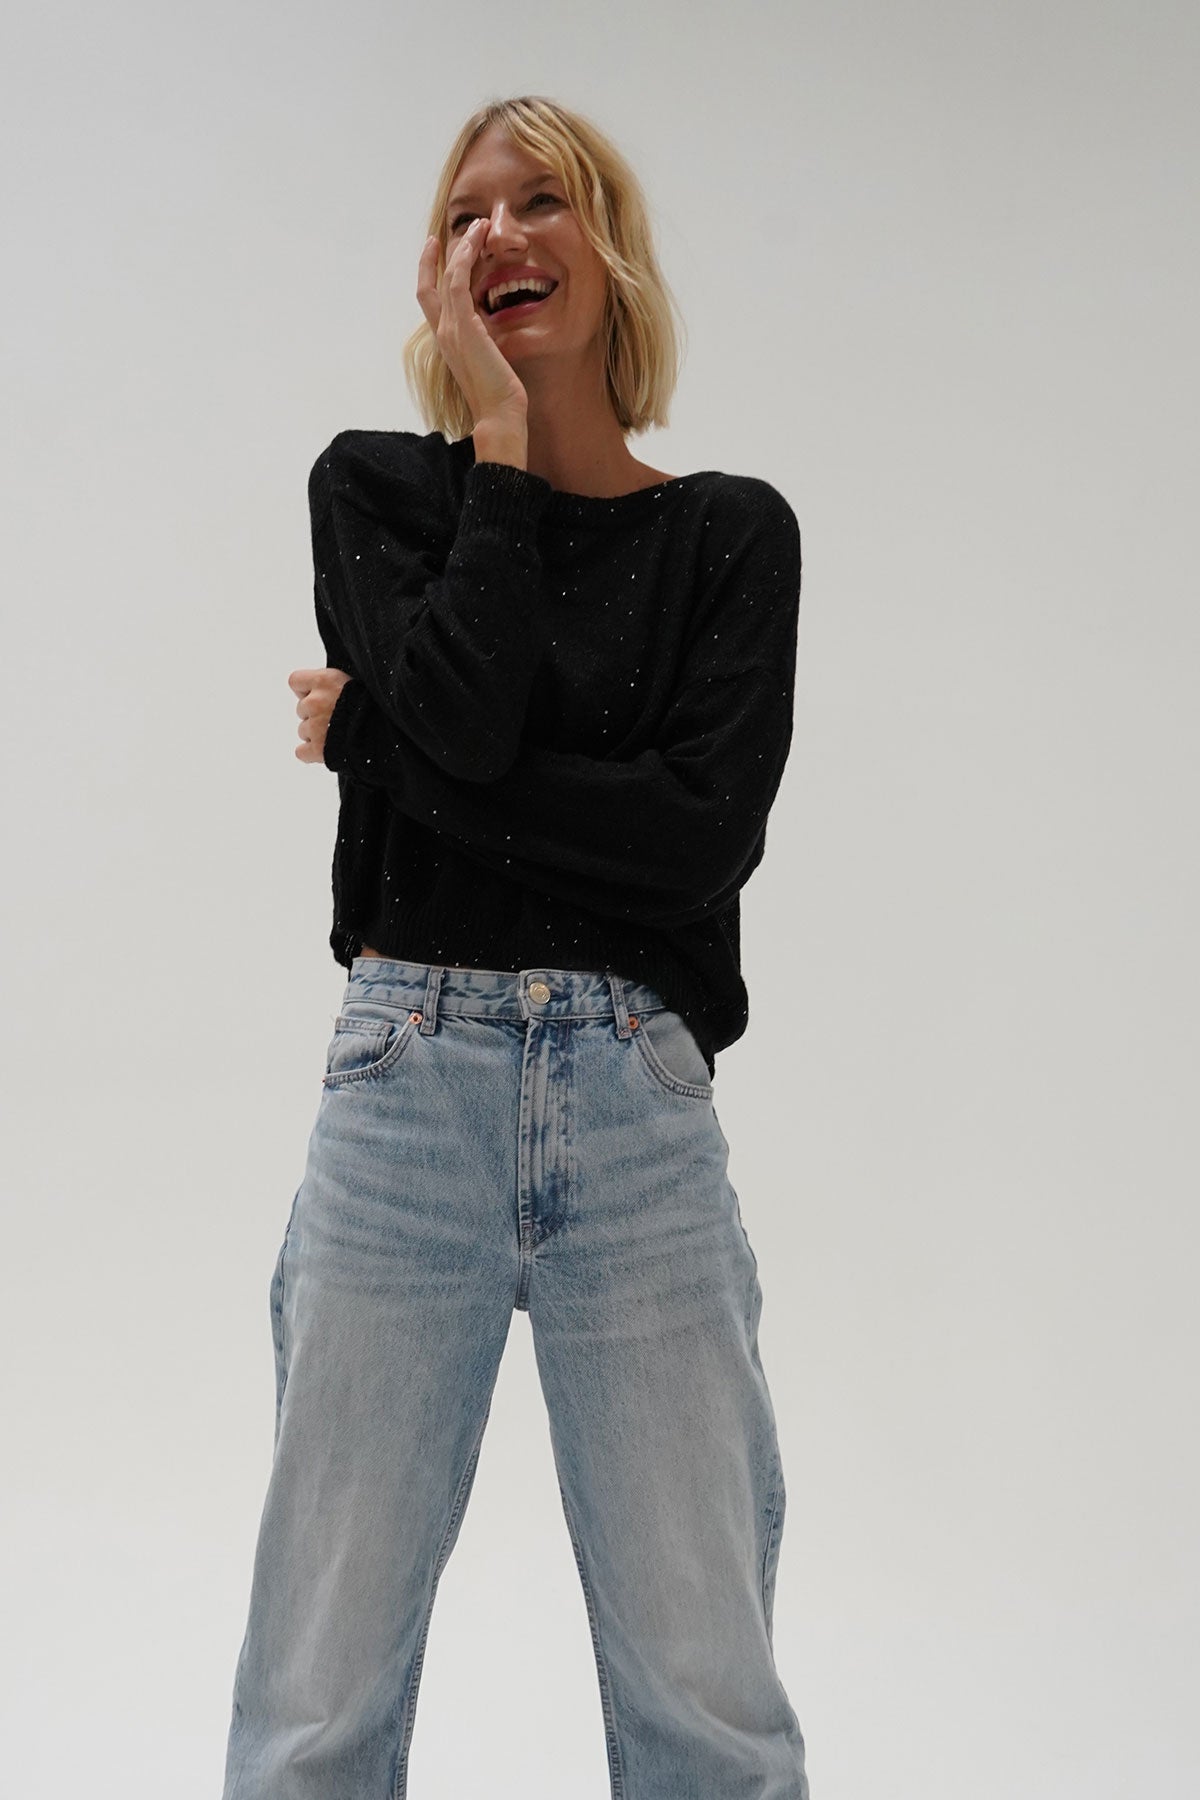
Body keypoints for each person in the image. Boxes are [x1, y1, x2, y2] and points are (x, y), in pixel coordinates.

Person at [221, 94, 811, 1800]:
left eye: (540, 200)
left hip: (638, 1103)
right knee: (319, 1694)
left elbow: (693, 844)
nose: (499, 234)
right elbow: (481, 724)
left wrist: (372, 743)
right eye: (466, 212)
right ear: (438, 275)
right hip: (406, 1090)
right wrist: (492, 442)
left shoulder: (730, 536)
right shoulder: (378, 492)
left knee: (706, 1695)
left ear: (609, 250)